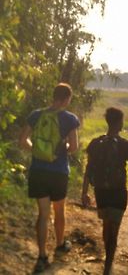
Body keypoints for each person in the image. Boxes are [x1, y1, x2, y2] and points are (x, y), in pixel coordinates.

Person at [19, 83, 80, 273]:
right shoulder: (70, 119)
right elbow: (74, 147)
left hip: (38, 171)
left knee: (43, 214)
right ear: (66, 99)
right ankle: (60, 244)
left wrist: (38, 151)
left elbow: (22, 140)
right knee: (59, 210)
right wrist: (59, 152)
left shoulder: (36, 115)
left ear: (53, 96)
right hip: (59, 172)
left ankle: (42, 256)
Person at [81, 107, 128, 275]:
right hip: (118, 192)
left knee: (106, 224)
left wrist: (84, 192)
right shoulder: (126, 145)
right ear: (119, 123)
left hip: (101, 191)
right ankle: (108, 265)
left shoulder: (95, 143)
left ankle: (107, 259)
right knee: (114, 229)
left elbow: (89, 169)